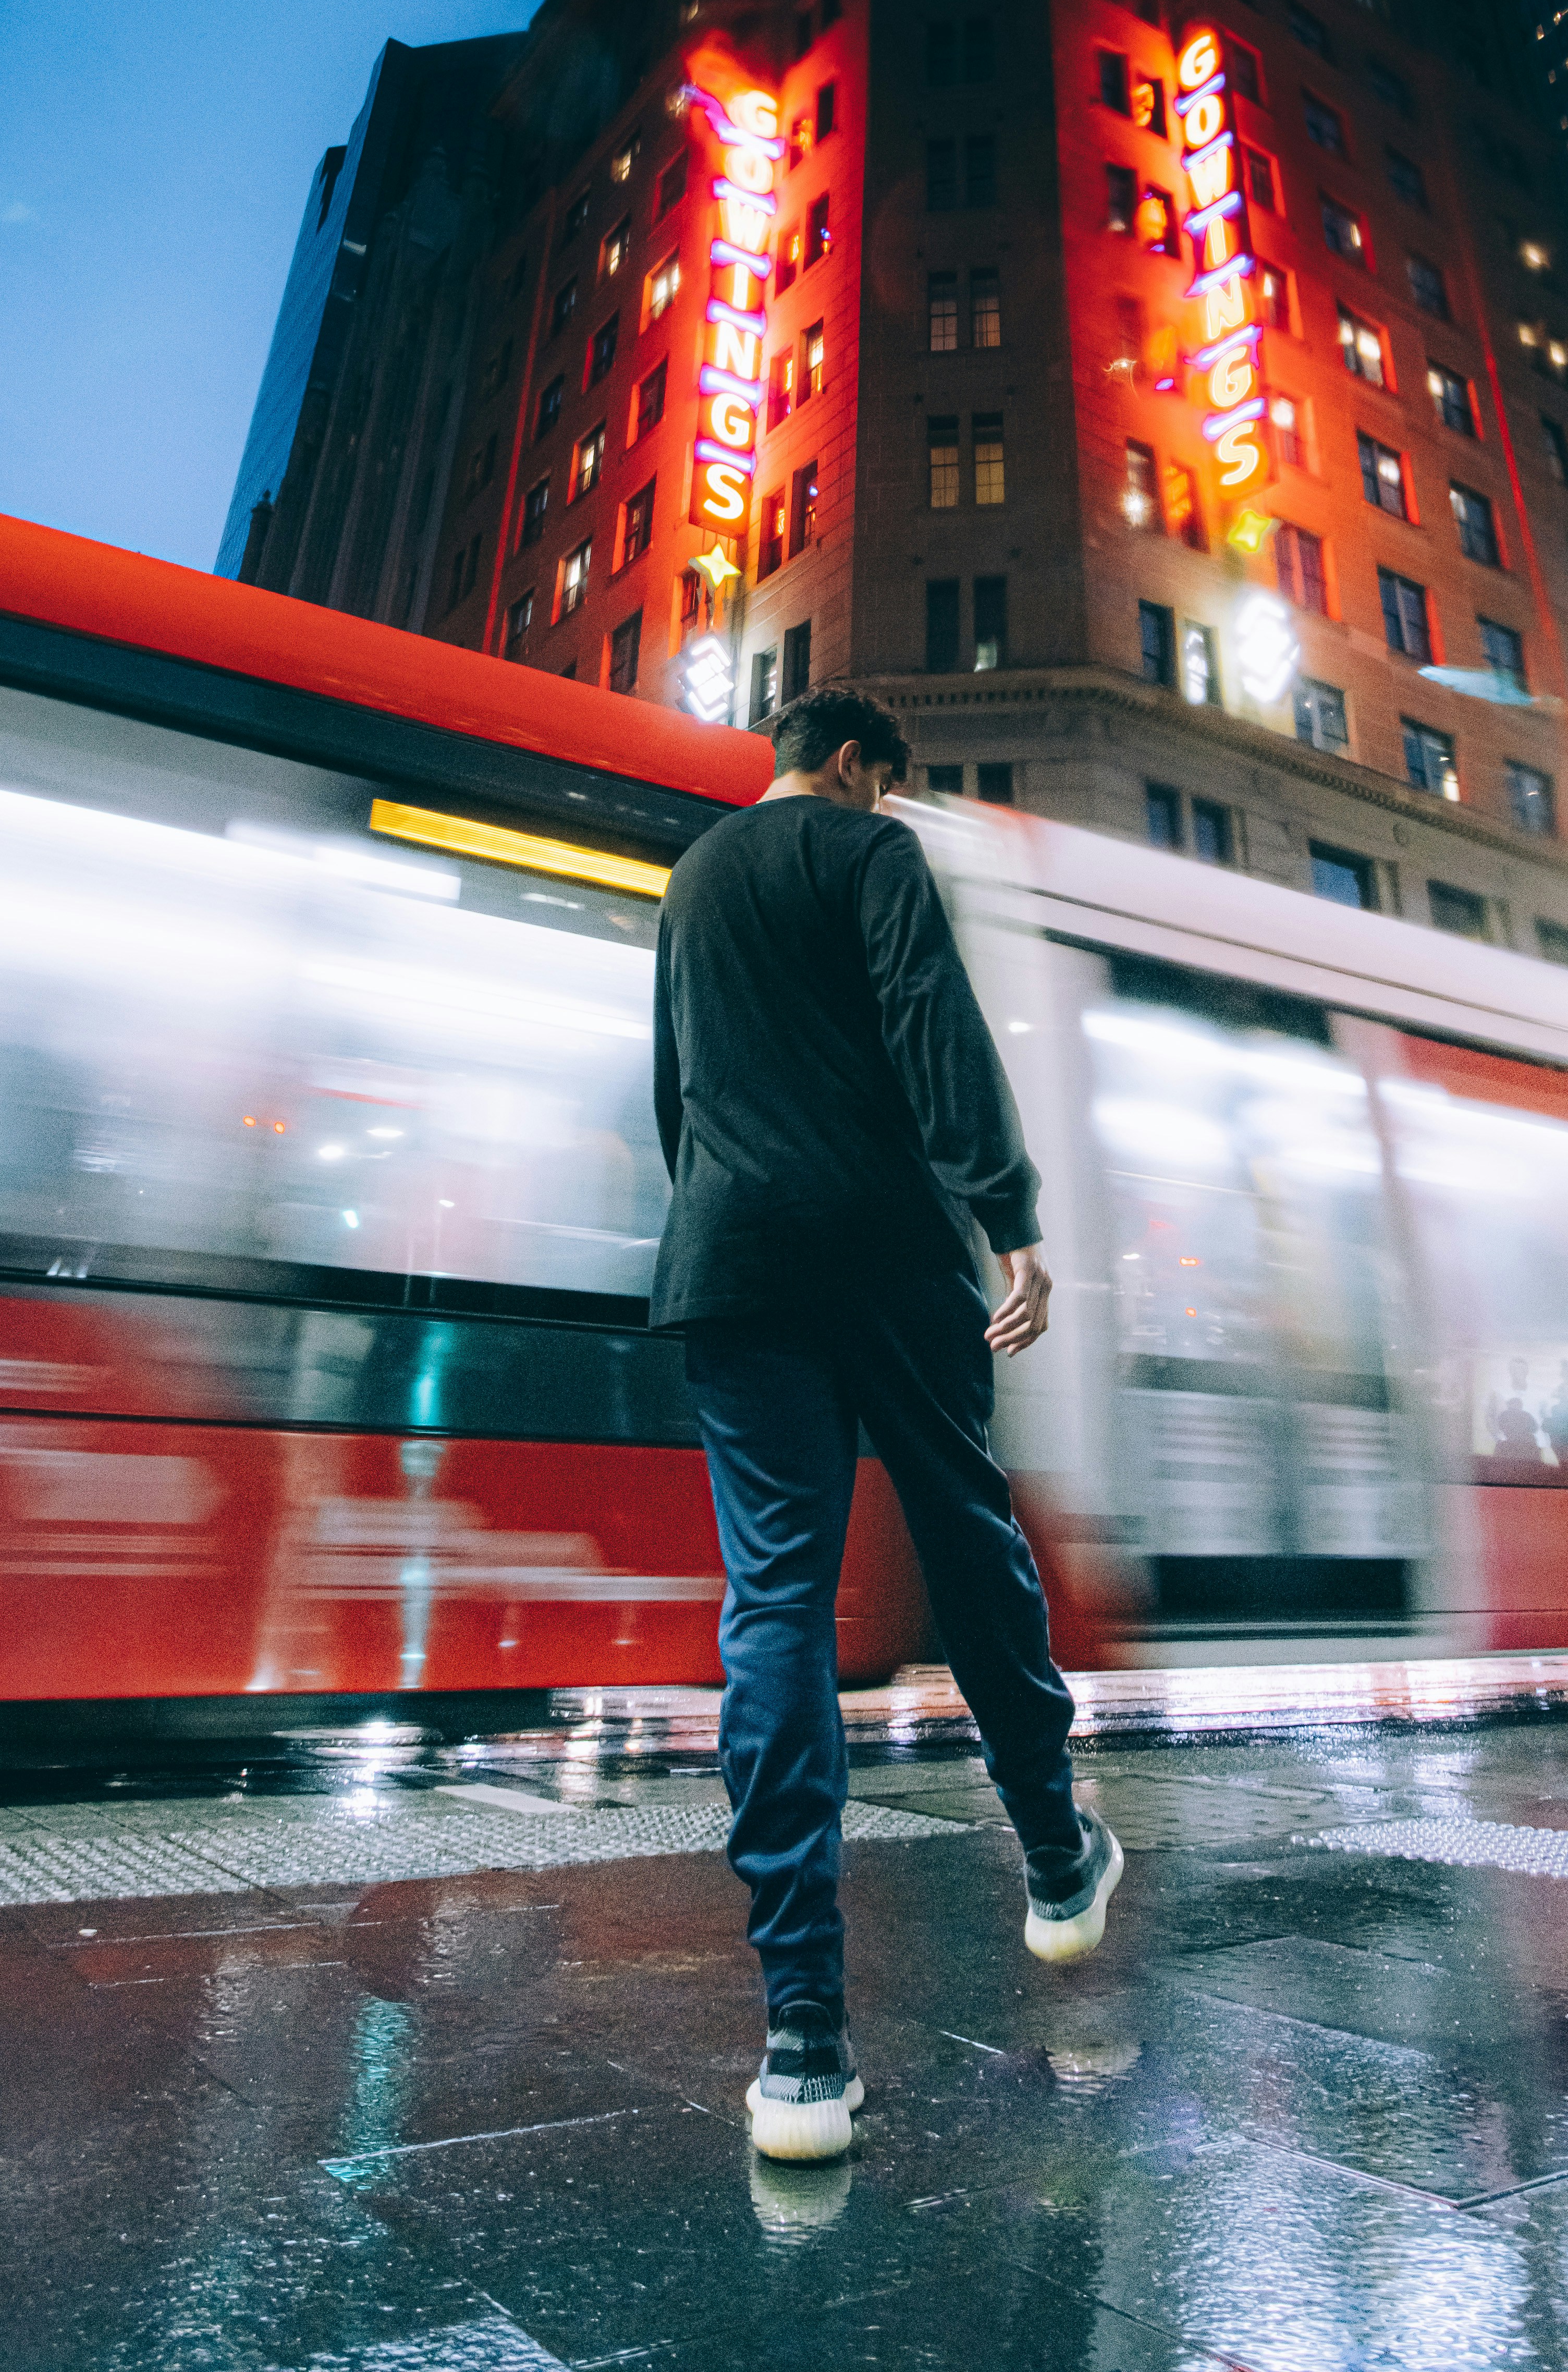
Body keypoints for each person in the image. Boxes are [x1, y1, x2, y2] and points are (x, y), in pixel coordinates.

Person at [652, 681, 1121, 2159]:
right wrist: (1011, 1217)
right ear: (854, 768)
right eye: (884, 785)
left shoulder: (695, 875)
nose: (884, 806)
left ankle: (801, 2045)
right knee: (966, 1535)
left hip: (729, 1262)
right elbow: (932, 1029)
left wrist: (722, 1215)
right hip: (886, 1255)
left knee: (773, 1603)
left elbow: (676, 1087)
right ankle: (1056, 1859)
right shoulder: (871, 854)